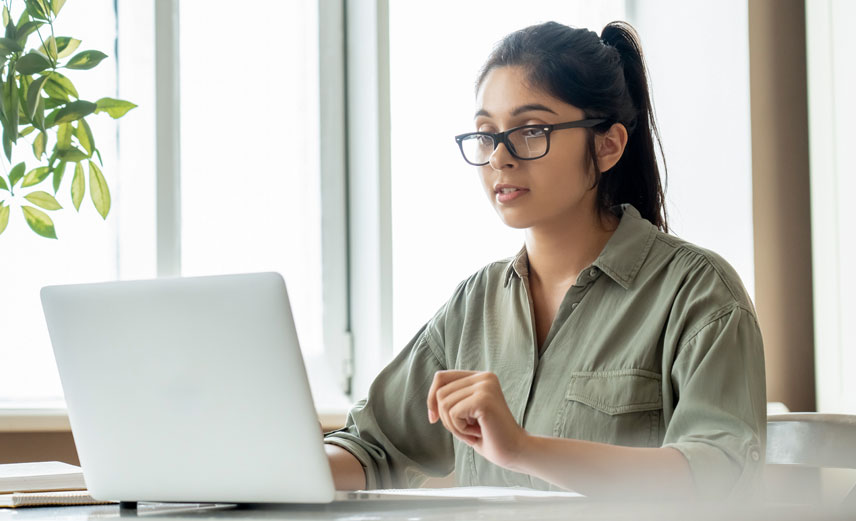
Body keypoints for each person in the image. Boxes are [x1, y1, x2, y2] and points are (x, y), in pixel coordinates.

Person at [323, 20, 766, 499]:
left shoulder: (699, 292)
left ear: (608, 144)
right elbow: (373, 448)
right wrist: (254, 468)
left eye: (531, 131)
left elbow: (718, 475)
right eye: (486, 134)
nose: (500, 158)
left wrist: (521, 449)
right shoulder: (476, 304)